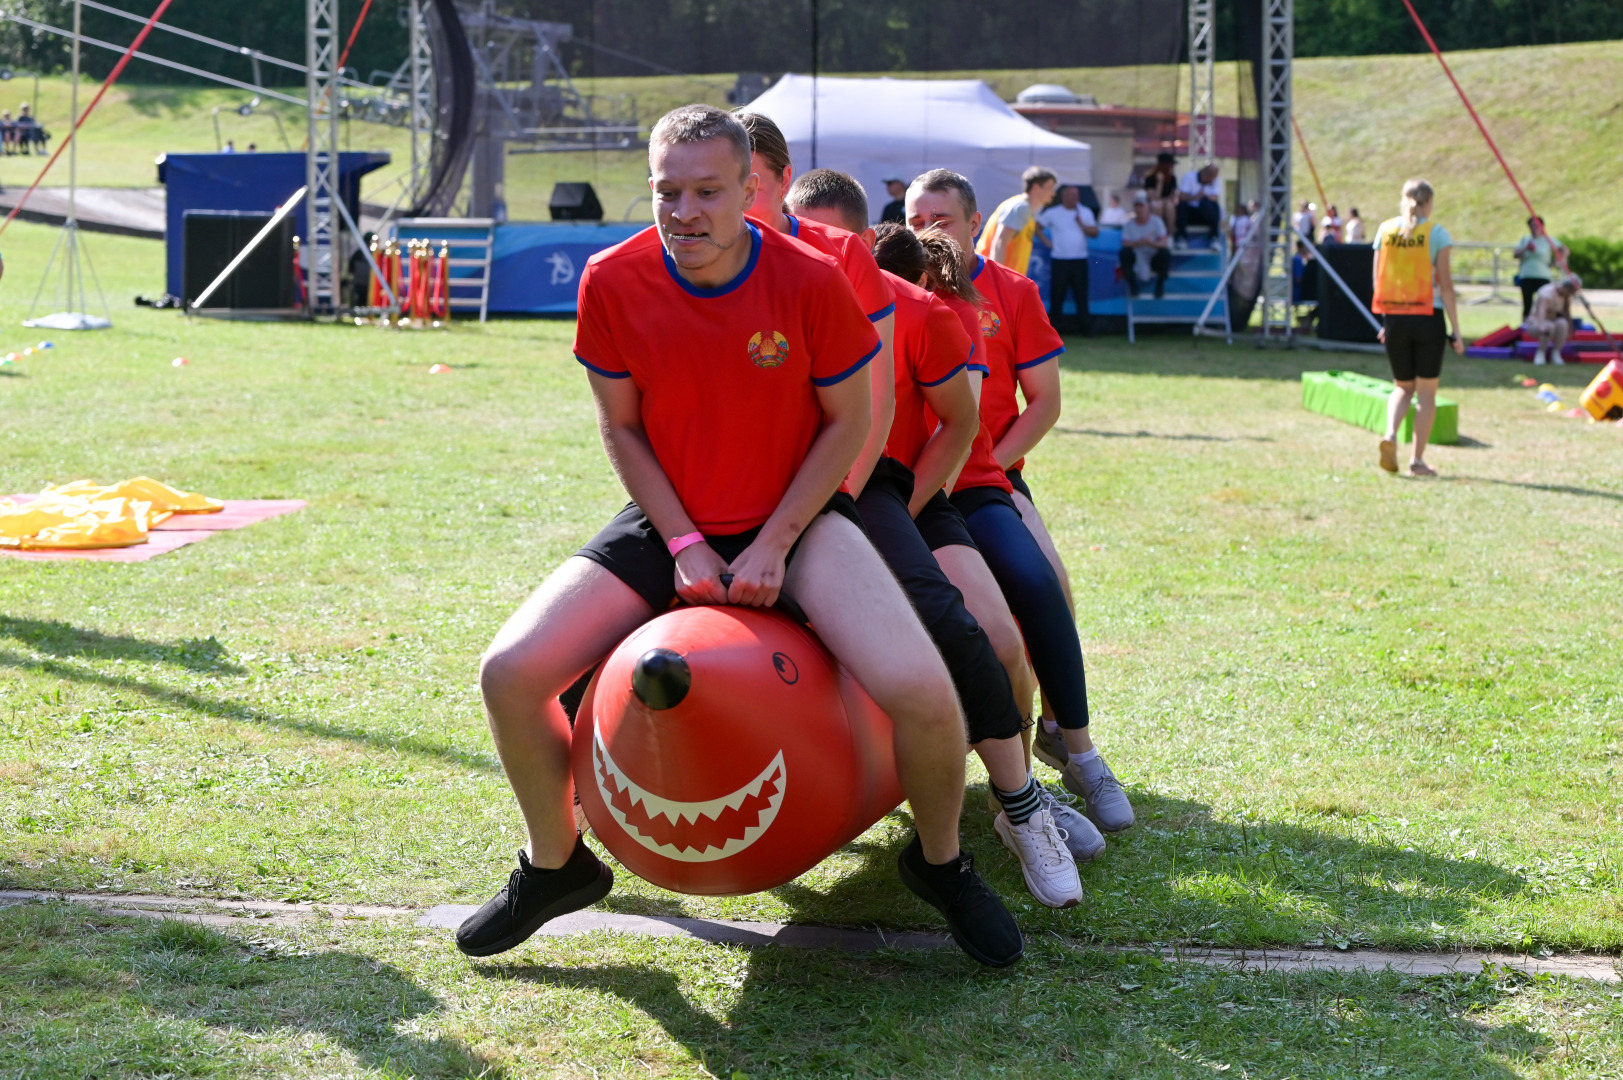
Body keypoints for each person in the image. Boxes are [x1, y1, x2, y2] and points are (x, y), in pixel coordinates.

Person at [458, 105, 1023, 968]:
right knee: (508, 671)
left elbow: (849, 422)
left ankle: (940, 863)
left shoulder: (807, 277)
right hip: (672, 518)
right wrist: (684, 542)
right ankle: (555, 864)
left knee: (922, 687)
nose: (684, 211)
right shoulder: (611, 279)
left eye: (707, 191)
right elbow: (622, 429)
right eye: (666, 191)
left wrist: (774, 541)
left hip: (797, 520)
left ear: (749, 188)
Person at [788, 168, 1092, 904]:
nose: (806, 250)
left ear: (860, 241)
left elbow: (963, 429)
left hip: (909, 495)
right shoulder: (760, 294)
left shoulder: (923, 310)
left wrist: (896, 508)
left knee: (1001, 624)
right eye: (796, 233)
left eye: (824, 237)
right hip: (784, 509)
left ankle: (1021, 793)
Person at [908, 168, 1136, 837]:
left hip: (986, 474)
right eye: (912, 216)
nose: (924, 230)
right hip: (914, 491)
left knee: (1046, 584)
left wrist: (990, 467)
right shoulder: (892, 293)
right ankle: (1018, 780)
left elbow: (1044, 404)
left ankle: (1072, 744)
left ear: (975, 223)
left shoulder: (1009, 292)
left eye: (939, 219)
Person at [734, 111, 897, 497]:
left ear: (784, 181)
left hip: (846, 474)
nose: (734, 202)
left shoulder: (843, 253)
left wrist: (841, 501)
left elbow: (877, 400)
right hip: (729, 485)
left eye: (750, 185)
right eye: (716, 186)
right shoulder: (689, 259)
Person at [1371, 178, 1463, 478]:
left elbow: (1378, 280)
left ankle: (1390, 433)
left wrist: (1386, 319)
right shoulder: (1437, 234)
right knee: (1426, 394)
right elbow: (1446, 286)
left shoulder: (1385, 231)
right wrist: (1457, 330)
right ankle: (1417, 460)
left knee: (1401, 386)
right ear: (1429, 203)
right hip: (1427, 316)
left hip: (1395, 317)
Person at [1038, 184, 1099, 335]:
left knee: (1081, 295)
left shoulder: (1085, 212)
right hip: (1060, 260)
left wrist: (1081, 223)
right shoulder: (1053, 212)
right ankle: (1053, 330)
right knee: (1057, 295)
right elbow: (1036, 226)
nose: (1075, 198)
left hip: (1079, 259)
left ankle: (1085, 328)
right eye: (1072, 195)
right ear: (1064, 197)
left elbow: (1094, 232)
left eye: (1077, 195)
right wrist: (1047, 242)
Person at [976, 166, 1057, 275]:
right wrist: (997, 280)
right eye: (1050, 187)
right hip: (991, 278)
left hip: (1006, 281)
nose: (1053, 193)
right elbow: (999, 243)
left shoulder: (1027, 211)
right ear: (1036, 187)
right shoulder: (1020, 208)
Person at [1514, 216, 1568, 322]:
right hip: (1527, 275)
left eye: (1536, 225)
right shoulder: (1525, 239)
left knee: (1543, 303)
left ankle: (1542, 324)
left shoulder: (1548, 239)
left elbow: (1564, 250)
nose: (1534, 228)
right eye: (1531, 225)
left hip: (1542, 276)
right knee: (1527, 304)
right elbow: (1515, 254)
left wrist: (1555, 262)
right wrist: (1526, 248)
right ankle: (1525, 326)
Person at [1119, 192, 1171, 299]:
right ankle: (1132, 285)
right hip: (1137, 255)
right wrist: (1139, 243)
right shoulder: (1129, 225)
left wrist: (1150, 243)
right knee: (1124, 253)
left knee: (1165, 254)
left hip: (1153, 256)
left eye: (1141, 206)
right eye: (1137, 206)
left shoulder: (1157, 222)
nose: (1139, 209)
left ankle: (1160, 285)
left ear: (1148, 207)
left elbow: (1164, 243)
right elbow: (1125, 243)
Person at [1524, 274, 1580, 366]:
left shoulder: (1566, 297)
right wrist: (1542, 325)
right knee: (1549, 326)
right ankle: (1541, 353)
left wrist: (1570, 328)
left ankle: (1556, 353)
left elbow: (1567, 313)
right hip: (1535, 322)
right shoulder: (1548, 292)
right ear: (1567, 288)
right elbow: (1541, 310)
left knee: (1562, 324)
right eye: (1572, 292)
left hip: (1553, 321)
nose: (1572, 295)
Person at [1174, 163, 1222, 247]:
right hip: (1189, 214)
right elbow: (1181, 196)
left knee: (1214, 205)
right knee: (1182, 205)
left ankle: (1214, 237)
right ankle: (1181, 237)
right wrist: (1196, 197)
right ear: (1207, 175)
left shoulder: (1215, 180)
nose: (1213, 180)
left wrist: (1205, 196)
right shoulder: (1189, 177)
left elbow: (1215, 197)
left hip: (1206, 214)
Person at [1142, 153, 1178, 235]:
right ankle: (1158, 234)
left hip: (1166, 203)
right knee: (1157, 205)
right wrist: (1160, 183)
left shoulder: (1172, 178)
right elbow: (1153, 197)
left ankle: (1170, 235)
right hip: (1154, 204)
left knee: (1169, 206)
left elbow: (1172, 196)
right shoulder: (1150, 178)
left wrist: (1165, 201)